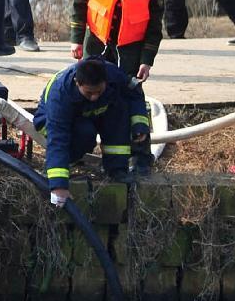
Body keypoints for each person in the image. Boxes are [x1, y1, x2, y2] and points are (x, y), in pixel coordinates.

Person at [69, 0, 162, 175]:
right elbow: (79, 3)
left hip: (129, 52)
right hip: (96, 46)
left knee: (133, 100)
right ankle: (75, 150)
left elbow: (155, 26)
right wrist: (75, 40)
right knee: (85, 94)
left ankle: (141, 159)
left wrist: (146, 61)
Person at [34, 58, 150, 206]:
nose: (94, 96)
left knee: (119, 111)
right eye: (89, 93)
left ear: (106, 81)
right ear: (77, 83)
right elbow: (58, 140)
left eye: (99, 91)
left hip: (92, 113)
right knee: (85, 133)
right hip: (53, 121)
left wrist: (140, 125)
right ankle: (68, 161)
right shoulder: (61, 95)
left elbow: (134, 94)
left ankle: (116, 169)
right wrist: (58, 185)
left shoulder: (114, 75)